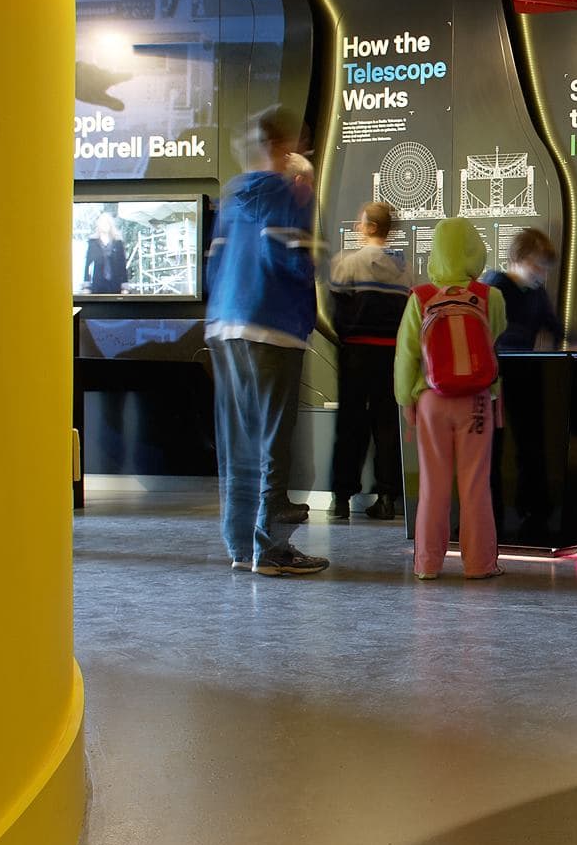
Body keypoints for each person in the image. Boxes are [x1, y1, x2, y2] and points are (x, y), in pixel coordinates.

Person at [207, 106, 325, 577]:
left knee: (238, 443)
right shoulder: (288, 192)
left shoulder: (233, 195)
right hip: (272, 327)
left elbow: (214, 265)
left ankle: (241, 546)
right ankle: (271, 550)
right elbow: (296, 260)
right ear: (284, 147)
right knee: (274, 442)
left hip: (225, 325)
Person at [395, 218, 507, 582]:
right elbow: (495, 341)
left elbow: (406, 354)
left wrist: (405, 398)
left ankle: (427, 564)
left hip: (431, 399)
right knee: (475, 484)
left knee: (433, 484)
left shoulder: (420, 297)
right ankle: (479, 565)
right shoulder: (492, 296)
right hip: (476, 399)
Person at [327, 201, 410, 521]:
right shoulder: (405, 268)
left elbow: (337, 311)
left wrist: (347, 337)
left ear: (371, 227)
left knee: (350, 425)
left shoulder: (347, 263)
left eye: (361, 223)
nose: (357, 228)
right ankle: (387, 496)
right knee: (387, 425)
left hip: (356, 354)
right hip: (391, 355)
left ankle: (342, 499)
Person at [487, 228, 565, 541]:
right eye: (538, 265)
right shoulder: (496, 286)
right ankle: (495, 514)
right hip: (499, 376)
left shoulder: (535, 293)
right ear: (519, 258)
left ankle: (533, 511)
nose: (542, 273)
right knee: (496, 447)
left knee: (531, 445)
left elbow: (554, 327)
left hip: (526, 374)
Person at [84, 210, 128, 295]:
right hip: (98, 285)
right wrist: (86, 286)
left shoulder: (118, 243)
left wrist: (124, 287)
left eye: (107, 223)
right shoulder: (92, 242)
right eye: (103, 223)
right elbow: (87, 265)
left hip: (115, 285)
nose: (105, 225)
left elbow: (122, 266)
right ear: (99, 225)